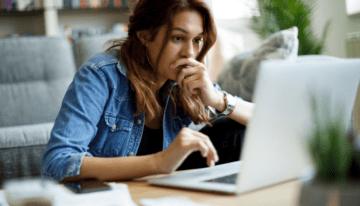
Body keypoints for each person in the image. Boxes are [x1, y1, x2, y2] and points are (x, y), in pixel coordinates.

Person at [41, 0, 254, 182]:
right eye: (178, 38)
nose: (190, 52)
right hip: (115, 194)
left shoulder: (182, 80)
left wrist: (218, 99)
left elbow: (268, 122)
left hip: (163, 189)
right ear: (144, 34)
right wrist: (159, 162)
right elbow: (57, 162)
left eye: (197, 40)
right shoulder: (100, 75)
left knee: (238, 131)